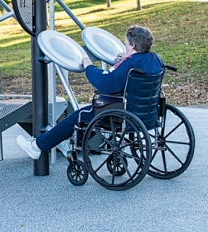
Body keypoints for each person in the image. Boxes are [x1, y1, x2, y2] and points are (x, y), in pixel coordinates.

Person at [16, 25, 164, 159]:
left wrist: (89, 67)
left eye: (125, 42)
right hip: (146, 112)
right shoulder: (156, 60)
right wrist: (129, 57)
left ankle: (37, 146)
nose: (124, 45)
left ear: (132, 45)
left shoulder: (128, 64)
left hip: (118, 110)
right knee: (82, 114)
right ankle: (58, 142)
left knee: (78, 116)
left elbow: (106, 82)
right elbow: (139, 64)